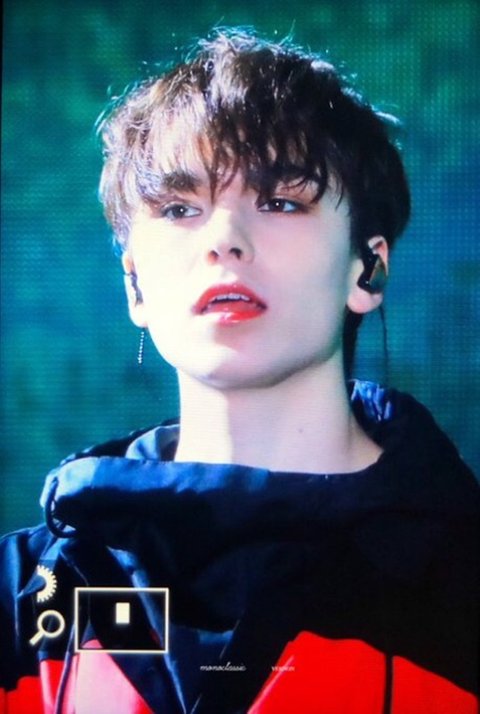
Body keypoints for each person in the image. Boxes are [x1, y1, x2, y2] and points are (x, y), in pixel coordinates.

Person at [1, 28, 478, 714]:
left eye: (281, 201)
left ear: (368, 269)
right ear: (134, 285)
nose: (224, 239)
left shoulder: (462, 580)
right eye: (180, 209)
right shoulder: (19, 597)